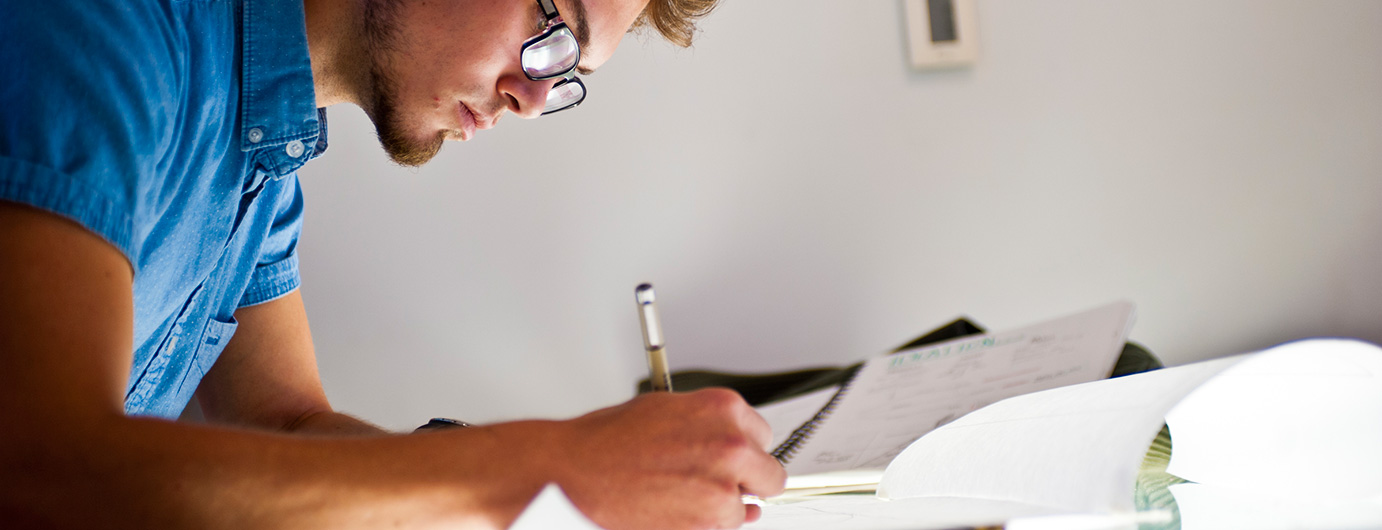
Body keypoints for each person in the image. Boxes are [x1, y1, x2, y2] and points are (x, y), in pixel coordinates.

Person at [0, 0, 786, 528]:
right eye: (555, 32)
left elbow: (288, 421)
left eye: (568, 73)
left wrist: (544, 496)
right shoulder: (110, 29)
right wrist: (546, 464)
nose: (536, 99)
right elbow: (42, 462)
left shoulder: (267, 159)